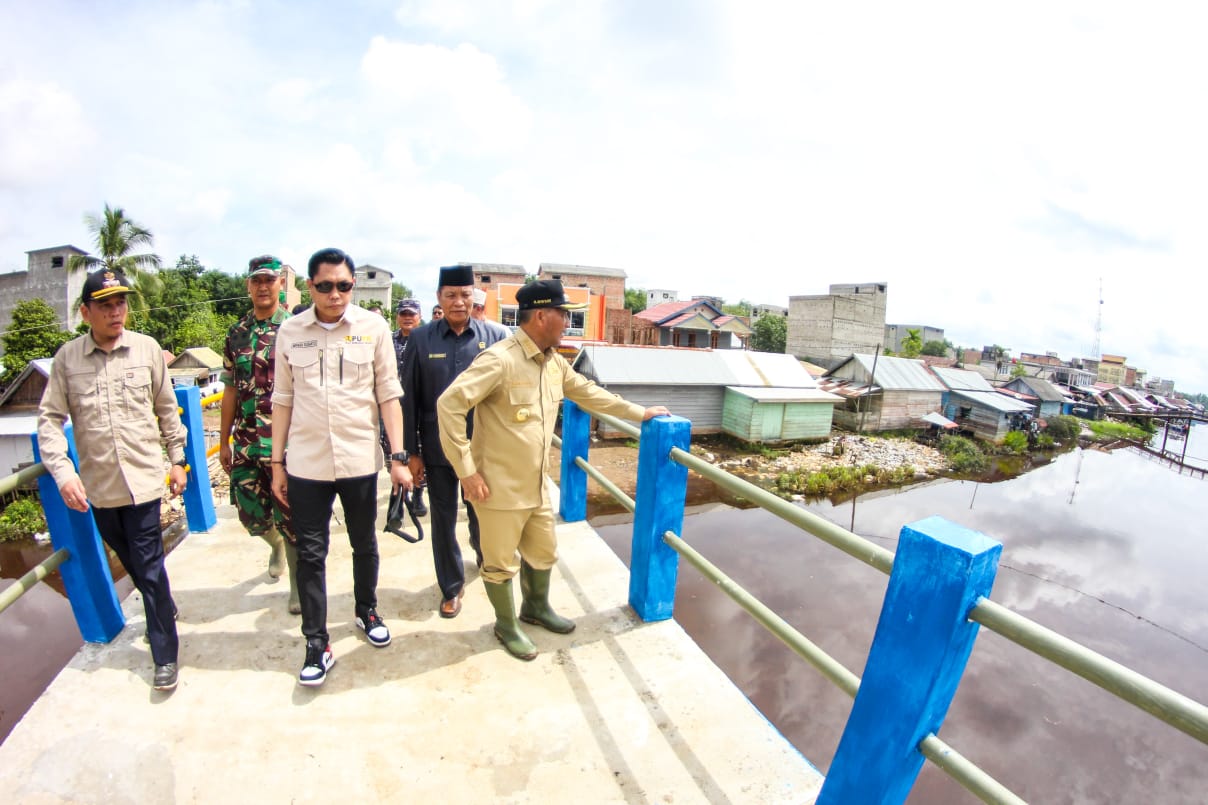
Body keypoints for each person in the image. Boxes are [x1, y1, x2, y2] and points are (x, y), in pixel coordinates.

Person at [437, 279, 670, 660]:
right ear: (542, 315)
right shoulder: (500, 360)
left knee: (543, 552)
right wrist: (466, 470)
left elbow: (589, 392)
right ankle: (505, 624)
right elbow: (449, 405)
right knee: (499, 563)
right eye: (563, 314)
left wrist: (640, 413)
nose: (567, 322)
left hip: (535, 486)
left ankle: (536, 608)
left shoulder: (553, 362)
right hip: (497, 487)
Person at [37, 270, 189, 691]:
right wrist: (63, 473)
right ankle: (165, 607)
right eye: (104, 304)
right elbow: (50, 421)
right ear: (86, 311)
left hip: (142, 481)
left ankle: (164, 653)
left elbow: (166, 408)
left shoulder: (147, 349)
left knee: (149, 564)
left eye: (120, 302)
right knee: (134, 561)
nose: (115, 311)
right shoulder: (67, 359)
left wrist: (179, 461)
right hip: (99, 489)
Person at [270, 247, 413, 687]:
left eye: (345, 286)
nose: (336, 294)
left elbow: (389, 393)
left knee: (364, 543)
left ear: (353, 285)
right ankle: (316, 642)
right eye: (326, 286)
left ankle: (366, 610)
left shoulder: (374, 328)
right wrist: (277, 463)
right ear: (310, 286)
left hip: (358, 458)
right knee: (311, 555)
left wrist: (399, 457)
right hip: (307, 464)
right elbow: (282, 399)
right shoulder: (291, 332)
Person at [401, 265, 508, 619]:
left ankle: (483, 556)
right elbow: (410, 399)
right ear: (439, 299)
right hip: (437, 448)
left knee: (482, 513)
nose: (459, 302)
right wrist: (410, 453)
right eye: (450, 295)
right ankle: (451, 586)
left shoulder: (495, 336)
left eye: (465, 295)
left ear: (474, 297)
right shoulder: (420, 339)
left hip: (484, 448)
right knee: (443, 519)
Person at [218, 254, 298, 613]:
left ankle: (298, 586)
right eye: (256, 281)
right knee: (250, 515)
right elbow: (231, 390)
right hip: (249, 440)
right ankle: (274, 544)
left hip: (289, 442)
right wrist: (223, 441)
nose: (263, 287)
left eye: (270, 280)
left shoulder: (297, 329)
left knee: (292, 516)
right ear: (248, 286)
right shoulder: (236, 333)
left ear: (281, 284)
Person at [383, 297, 427, 516]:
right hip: (391, 408)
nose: (408, 318)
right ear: (397, 316)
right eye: (404, 314)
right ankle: (398, 500)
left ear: (419, 316)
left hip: (417, 408)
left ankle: (418, 496)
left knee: (418, 452)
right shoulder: (387, 340)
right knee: (393, 455)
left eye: (412, 314)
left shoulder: (427, 340)